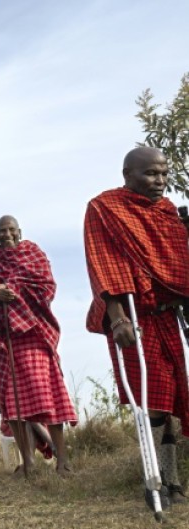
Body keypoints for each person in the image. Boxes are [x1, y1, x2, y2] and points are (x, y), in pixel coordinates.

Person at [84, 146, 189, 507]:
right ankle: (157, 480)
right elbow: (104, 265)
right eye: (150, 174)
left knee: (172, 396)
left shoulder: (167, 212)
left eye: (163, 173)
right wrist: (117, 320)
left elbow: (176, 263)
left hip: (166, 316)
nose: (159, 181)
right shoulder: (104, 209)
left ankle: (172, 479)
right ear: (128, 174)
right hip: (132, 316)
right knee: (153, 397)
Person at [0, 215, 76, 476]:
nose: (6, 234)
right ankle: (28, 462)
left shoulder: (34, 253)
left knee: (48, 395)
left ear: (19, 232)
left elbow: (46, 287)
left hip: (35, 334)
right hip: (6, 340)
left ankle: (62, 460)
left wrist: (12, 289)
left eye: (10, 230)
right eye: (1, 231)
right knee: (12, 402)